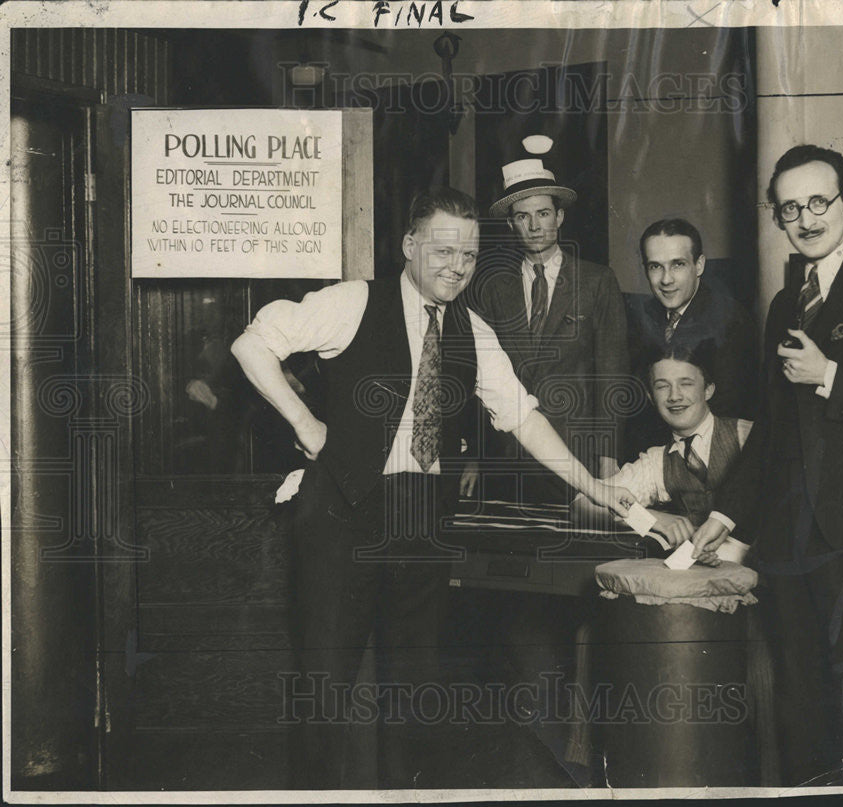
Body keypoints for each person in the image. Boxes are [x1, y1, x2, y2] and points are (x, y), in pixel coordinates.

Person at [230, 187, 635, 789]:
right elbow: (252, 343)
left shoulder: (472, 330)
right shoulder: (352, 303)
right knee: (325, 685)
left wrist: (594, 487)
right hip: (340, 510)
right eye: (443, 251)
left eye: (468, 256)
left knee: (416, 688)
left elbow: (523, 417)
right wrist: (307, 424)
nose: (456, 267)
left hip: (418, 514)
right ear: (409, 246)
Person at [691, 145, 843, 785]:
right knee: (801, 707)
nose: (805, 217)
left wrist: (833, 377)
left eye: (818, 201)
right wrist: (726, 512)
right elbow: (771, 431)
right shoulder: (783, 306)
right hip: (787, 541)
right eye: (789, 207)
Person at [465, 149, 629, 503]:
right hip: (506, 456)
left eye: (543, 213)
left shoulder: (596, 281)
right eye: (523, 216)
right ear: (510, 224)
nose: (534, 225)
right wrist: (476, 459)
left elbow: (612, 374)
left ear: (560, 217)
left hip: (577, 455)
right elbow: (478, 380)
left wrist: (608, 454)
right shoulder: (492, 288)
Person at [572, 341, 752, 549]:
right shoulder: (656, 461)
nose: (674, 396)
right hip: (697, 571)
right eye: (662, 386)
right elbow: (582, 506)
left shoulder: (746, 435)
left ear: (708, 390)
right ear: (650, 397)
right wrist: (649, 519)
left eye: (686, 383)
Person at [624, 218, 757, 460]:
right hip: (653, 461)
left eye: (678, 265)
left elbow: (727, 414)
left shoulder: (730, 319)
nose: (666, 279)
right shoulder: (644, 317)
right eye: (655, 266)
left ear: (699, 265)